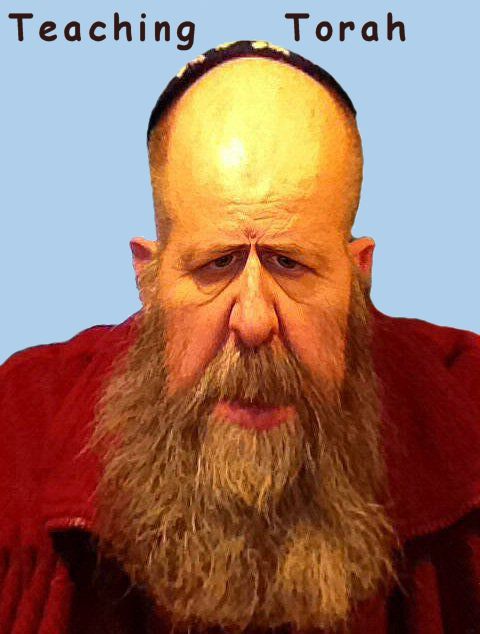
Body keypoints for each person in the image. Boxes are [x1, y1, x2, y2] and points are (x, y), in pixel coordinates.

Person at [1, 40, 479, 634]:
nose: (253, 322)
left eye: (290, 263)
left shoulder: (471, 416)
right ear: (149, 278)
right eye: (217, 264)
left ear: (358, 276)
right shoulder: (16, 435)